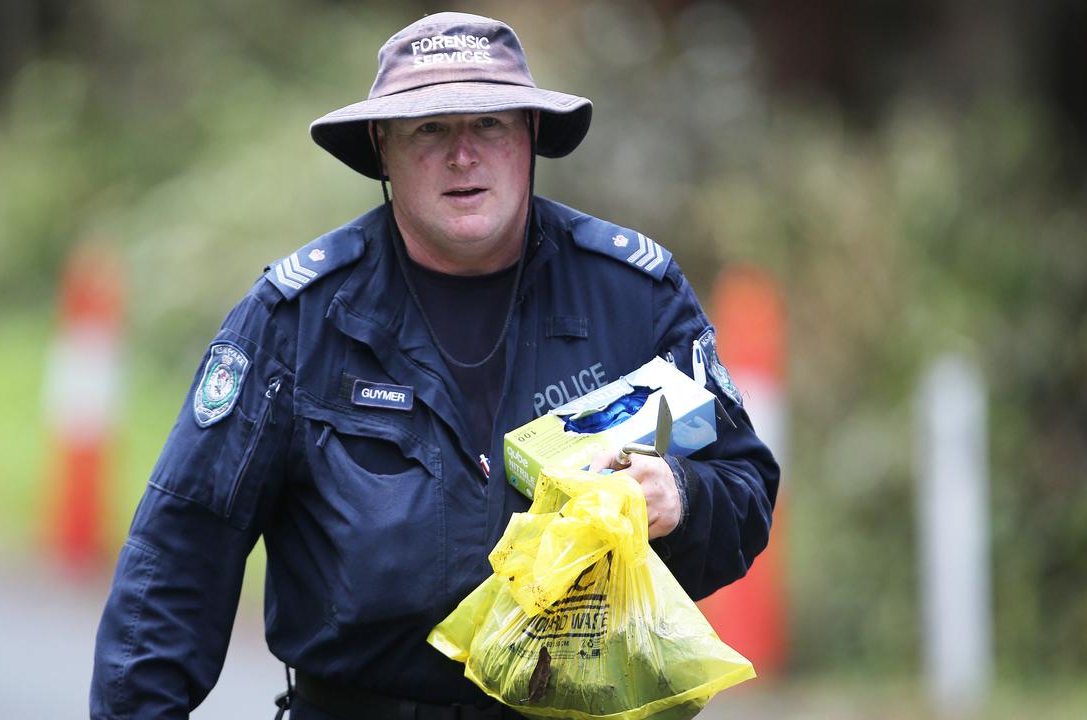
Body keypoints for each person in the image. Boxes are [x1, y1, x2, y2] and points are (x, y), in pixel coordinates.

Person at [90, 11, 778, 720]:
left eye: (489, 126)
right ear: (381, 149)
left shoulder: (634, 294)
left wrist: (684, 498)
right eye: (430, 130)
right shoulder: (295, 321)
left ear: (531, 138)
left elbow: (746, 487)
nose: (463, 156)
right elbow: (177, 559)